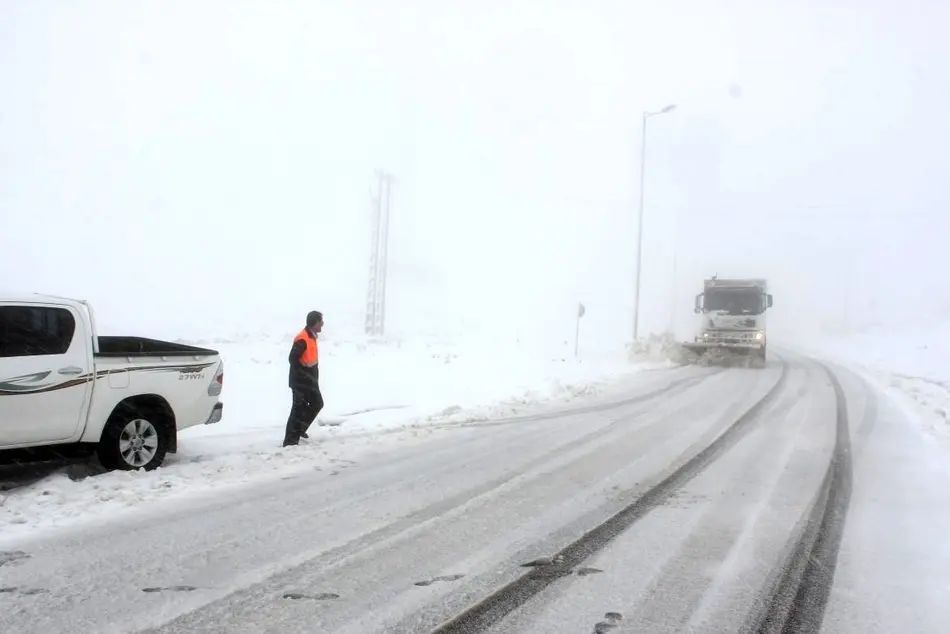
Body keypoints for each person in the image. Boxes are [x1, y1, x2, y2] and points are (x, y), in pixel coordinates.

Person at [283, 310, 324, 447]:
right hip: (300, 382)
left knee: (317, 403)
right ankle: (290, 441)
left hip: (310, 382)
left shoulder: (311, 337)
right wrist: (304, 376)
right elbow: (292, 359)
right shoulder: (303, 338)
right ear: (314, 323)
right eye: (320, 322)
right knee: (297, 410)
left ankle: (300, 429)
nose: (322, 324)